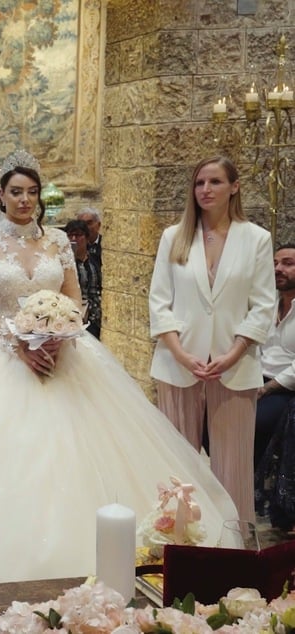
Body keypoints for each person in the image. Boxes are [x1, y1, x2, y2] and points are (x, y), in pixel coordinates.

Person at [0, 151, 239, 593]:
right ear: (2, 195)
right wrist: (16, 339)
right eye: (16, 192)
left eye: (32, 192)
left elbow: (73, 296)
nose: (25, 200)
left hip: (62, 352)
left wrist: (58, 331)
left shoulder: (56, 241)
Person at [149, 155, 275, 525]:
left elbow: (263, 304)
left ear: (234, 187)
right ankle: (177, 540)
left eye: (215, 182)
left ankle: (232, 542)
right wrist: (181, 353)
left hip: (235, 365)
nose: (205, 190)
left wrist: (235, 353)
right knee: (176, 461)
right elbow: (159, 301)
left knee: (232, 464)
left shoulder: (256, 239)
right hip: (177, 363)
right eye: (200, 183)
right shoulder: (174, 237)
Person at [255, 244, 295, 467]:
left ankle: (256, 482)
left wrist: (266, 389)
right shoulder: (267, 304)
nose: (278, 269)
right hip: (256, 378)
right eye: (275, 264)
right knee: (210, 418)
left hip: (286, 389)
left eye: (288, 264)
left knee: (256, 422)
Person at [64, 219, 102, 339]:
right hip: (75, 316)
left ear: (86, 237)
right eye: (70, 235)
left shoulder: (95, 259)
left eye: (78, 235)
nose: (74, 239)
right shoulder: (65, 264)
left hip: (96, 315)